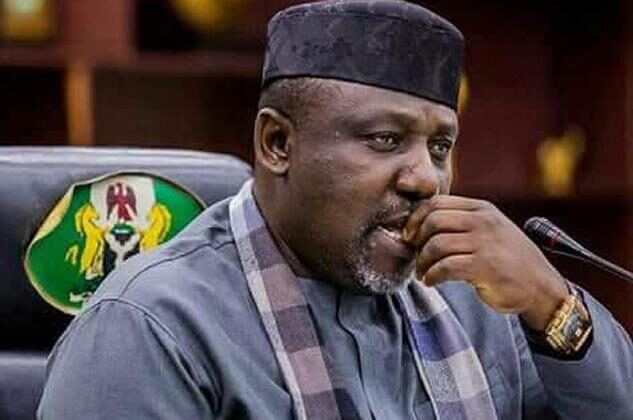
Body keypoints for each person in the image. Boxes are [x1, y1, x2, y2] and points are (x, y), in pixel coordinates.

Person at [38, 1, 632, 419]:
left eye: (440, 147)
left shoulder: (473, 300)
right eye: (384, 139)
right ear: (277, 144)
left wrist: (552, 305)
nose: (426, 178)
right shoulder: (152, 327)